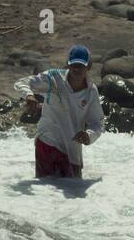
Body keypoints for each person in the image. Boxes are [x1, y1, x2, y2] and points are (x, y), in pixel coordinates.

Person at [14, 45, 105, 179]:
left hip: (71, 149)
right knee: (45, 190)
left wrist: (88, 135)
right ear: (67, 65)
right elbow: (22, 82)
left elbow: (97, 123)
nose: (76, 69)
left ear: (89, 66)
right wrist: (29, 95)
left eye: (80, 65)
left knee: (74, 188)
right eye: (73, 65)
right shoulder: (53, 78)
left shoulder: (91, 91)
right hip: (46, 142)